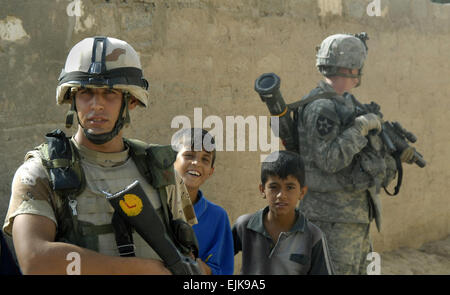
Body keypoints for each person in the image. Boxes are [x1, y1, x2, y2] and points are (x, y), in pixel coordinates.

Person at [2, 36, 199, 274]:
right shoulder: (41, 172)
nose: (96, 105)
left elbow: (185, 250)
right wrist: (143, 269)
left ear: (132, 101)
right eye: (86, 93)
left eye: (110, 94)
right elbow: (35, 260)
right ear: (72, 99)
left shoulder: (160, 169)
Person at [296, 33, 415, 274]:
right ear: (351, 67)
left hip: (352, 216)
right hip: (331, 218)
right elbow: (329, 160)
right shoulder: (322, 107)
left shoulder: (346, 102)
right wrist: (361, 127)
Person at [232, 151, 334, 275]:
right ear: (262, 190)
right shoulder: (244, 226)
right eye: (274, 187)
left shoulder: (313, 236)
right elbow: (217, 261)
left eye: (290, 187)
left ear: (302, 192)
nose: (281, 195)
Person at [172, 128, 234, 275]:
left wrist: (198, 267)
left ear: (210, 171)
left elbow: (223, 271)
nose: (196, 163)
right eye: (189, 155)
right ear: (172, 161)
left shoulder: (217, 217)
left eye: (205, 159)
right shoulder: (155, 206)